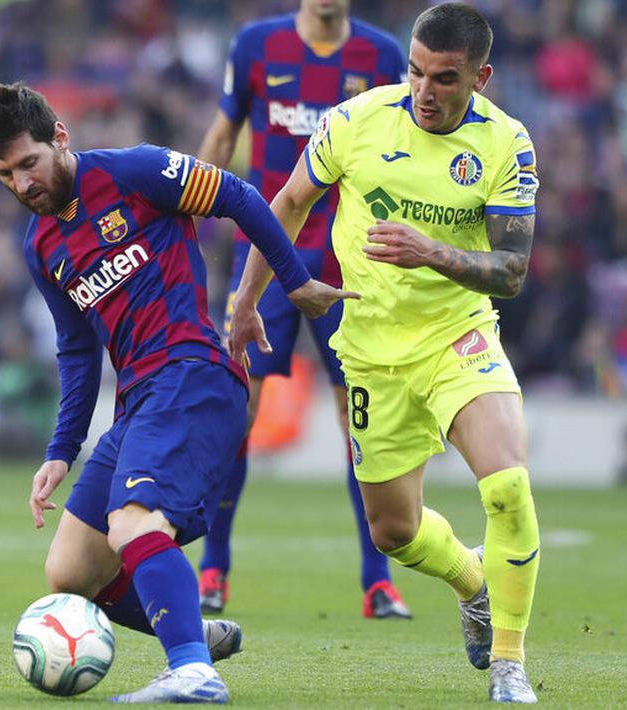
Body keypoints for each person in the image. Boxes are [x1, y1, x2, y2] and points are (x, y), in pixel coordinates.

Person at [0, 82, 354, 704]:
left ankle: (194, 671)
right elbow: (76, 349)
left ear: (59, 137)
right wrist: (61, 449)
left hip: (192, 373)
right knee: (70, 572)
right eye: (4, 174)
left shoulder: (136, 171)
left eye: (28, 164)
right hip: (138, 402)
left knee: (132, 523)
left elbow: (240, 196)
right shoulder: (42, 248)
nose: (21, 184)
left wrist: (293, 280)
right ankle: (188, 629)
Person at [228, 4, 541, 703]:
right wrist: (247, 300)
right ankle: (472, 582)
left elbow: (513, 271)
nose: (424, 92)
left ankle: (510, 666)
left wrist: (430, 252)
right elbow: (286, 203)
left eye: (444, 79)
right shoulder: (356, 120)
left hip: (456, 336)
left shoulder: (506, 144)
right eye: (415, 72)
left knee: (506, 485)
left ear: (480, 79)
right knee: (394, 531)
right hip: (368, 349)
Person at [195, 0, 411, 620]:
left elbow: (402, 151)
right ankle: (214, 570)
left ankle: (378, 580)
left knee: (359, 421)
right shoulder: (255, 46)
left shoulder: (383, 56)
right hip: (263, 255)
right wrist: (185, 209)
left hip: (347, 262)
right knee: (241, 409)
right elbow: (223, 135)